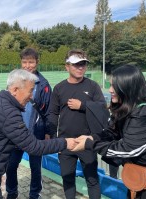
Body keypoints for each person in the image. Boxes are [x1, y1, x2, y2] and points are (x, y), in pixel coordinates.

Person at [0, 69, 77, 199]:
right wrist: (66, 142)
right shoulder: (8, 112)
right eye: (30, 90)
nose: (32, 96)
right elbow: (34, 147)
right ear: (15, 89)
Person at [73, 65, 146, 198]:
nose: (110, 90)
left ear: (128, 88)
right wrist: (93, 137)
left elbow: (128, 149)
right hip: (140, 174)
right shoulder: (127, 107)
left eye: (115, 86)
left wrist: (89, 144)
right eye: (110, 85)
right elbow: (113, 131)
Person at [48, 49, 105, 199]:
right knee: (68, 180)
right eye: (76, 64)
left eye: (83, 64)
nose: (80, 68)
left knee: (92, 180)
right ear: (67, 67)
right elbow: (53, 114)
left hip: (87, 142)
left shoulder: (93, 86)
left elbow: (103, 110)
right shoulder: (59, 88)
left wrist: (83, 105)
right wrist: (56, 139)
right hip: (66, 142)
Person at [5, 48, 52, 199]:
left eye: (31, 62)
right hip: (16, 133)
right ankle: (12, 193)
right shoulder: (15, 81)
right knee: (11, 166)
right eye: (24, 62)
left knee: (35, 168)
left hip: (36, 134)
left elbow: (49, 111)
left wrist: (48, 132)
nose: (27, 65)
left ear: (37, 63)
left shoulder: (43, 84)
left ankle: (34, 194)